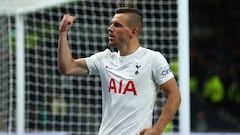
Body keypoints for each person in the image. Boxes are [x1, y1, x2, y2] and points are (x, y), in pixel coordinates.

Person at [57, 7, 181, 135]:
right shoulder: (104, 59)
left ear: (133, 32)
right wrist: (63, 32)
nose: (110, 28)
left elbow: (174, 95)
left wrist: (157, 129)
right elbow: (67, 68)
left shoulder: (152, 59)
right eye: (111, 24)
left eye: (117, 25)